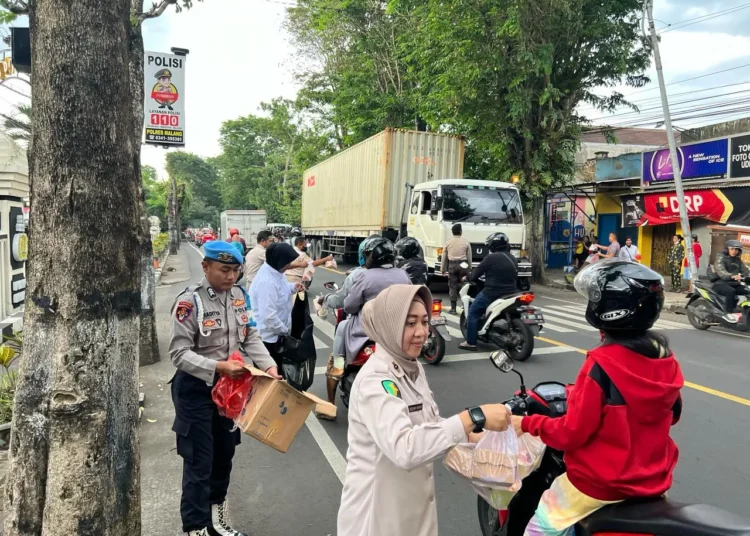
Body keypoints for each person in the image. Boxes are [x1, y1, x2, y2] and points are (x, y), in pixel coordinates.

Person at [512, 259, 684, 536]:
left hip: (601, 485)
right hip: (653, 483)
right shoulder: (665, 359)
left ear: (607, 308)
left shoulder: (601, 364)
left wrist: (529, 424)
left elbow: (571, 433)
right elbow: (672, 414)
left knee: (538, 529)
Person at [337, 284, 513, 536]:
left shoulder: (412, 365)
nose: (422, 332)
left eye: (424, 321)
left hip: (410, 510)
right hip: (376, 517)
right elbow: (405, 448)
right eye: (410, 323)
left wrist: (475, 435)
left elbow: (428, 423)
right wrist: (472, 417)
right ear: (390, 325)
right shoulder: (375, 382)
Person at [169, 241, 282, 536]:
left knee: (224, 456)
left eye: (235, 270)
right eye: (224, 270)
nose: (231, 277)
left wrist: (269, 367)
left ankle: (217, 522)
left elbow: (250, 335)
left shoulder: (238, 296)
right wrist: (218, 367)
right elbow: (178, 354)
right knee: (199, 461)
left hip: (230, 390)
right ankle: (196, 529)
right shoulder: (189, 303)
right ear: (206, 267)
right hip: (195, 389)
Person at [316, 239, 373, 411]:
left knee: (336, 359)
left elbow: (343, 302)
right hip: (388, 332)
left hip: (361, 329)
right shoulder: (398, 274)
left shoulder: (357, 275)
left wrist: (324, 299)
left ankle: (330, 406)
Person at [342, 237, 410, 363]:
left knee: (342, 327)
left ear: (373, 257)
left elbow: (349, 306)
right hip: (397, 329)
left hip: (367, 330)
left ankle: (337, 367)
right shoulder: (403, 275)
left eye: (368, 255)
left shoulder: (364, 276)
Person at [248, 243, 306, 371]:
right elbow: (269, 318)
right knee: (271, 378)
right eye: (287, 262)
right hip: (268, 339)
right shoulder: (267, 282)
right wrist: (286, 332)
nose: (289, 265)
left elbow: (282, 290)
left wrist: (293, 287)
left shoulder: (275, 271)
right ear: (279, 261)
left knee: (279, 373)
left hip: (276, 335)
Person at [459, 232, 518, 352]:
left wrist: (467, 278)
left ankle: (471, 343)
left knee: (473, 312)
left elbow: (476, 273)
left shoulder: (490, 258)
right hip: (512, 292)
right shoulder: (512, 258)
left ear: (493, 245)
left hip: (492, 293)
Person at [713, 239, 750, 322]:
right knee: (731, 291)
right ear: (727, 249)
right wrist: (732, 276)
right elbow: (721, 271)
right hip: (720, 283)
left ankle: (740, 310)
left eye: (736, 249)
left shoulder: (737, 260)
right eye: (732, 249)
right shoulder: (721, 258)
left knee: (747, 290)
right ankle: (728, 313)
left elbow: (746, 271)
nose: (734, 251)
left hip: (733, 283)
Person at [440, 224, 472, 314]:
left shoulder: (448, 242)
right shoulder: (466, 242)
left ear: (452, 232)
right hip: (463, 264)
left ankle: (453, 309)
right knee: (465, 285)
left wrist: (442, 268)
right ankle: (464, 305)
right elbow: (469, 256)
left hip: (452, 265)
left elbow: (444, 257)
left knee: (452, 286)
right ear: (461, 232)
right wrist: (470, 267)